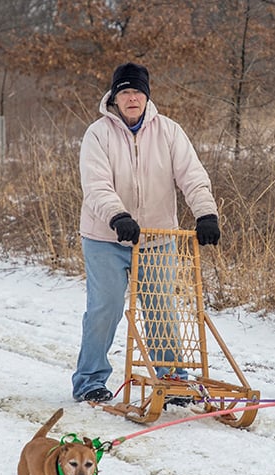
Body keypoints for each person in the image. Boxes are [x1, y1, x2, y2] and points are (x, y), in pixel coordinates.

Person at [71, 62, 221, 403]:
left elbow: (192, 176)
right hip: (106, 237)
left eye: (137, 91)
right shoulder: (98, 134)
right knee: (104, 309)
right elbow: (96, 186)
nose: (132, 98)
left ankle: (171, 379)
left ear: (147, 96)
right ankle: (90, 380)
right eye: (125, 92)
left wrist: (206, 214)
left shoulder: (169, 132)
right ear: (114, 98)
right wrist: (118, 215)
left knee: (160, 309)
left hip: (157, 237)